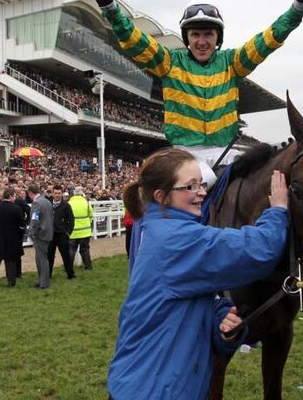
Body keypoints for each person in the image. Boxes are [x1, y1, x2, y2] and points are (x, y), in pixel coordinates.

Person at [92, 0, 303, 187]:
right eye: (195, 35)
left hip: (227, 153)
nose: (201, 41)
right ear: (187, 37)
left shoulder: (233, 63)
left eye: (208, 34)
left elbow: (268, 39)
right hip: (185, 156)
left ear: (217, 38)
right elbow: (135, 40)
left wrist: (297, 9)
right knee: (198, 184)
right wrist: (111, 10)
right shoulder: (169, 62)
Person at [107, 148, 289, 400]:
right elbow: (257, 249)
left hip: (158, 382)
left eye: (201, 184)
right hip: (154, 390)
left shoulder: (166, 230)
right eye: (190, 186)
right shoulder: (177, 240)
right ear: (162, 197)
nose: (202, 192)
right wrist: (278, 210)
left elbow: (186, 302)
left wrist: (221, 321)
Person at [27, 183, 53, 289]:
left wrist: (32, 233)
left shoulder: (36, 203)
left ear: (30, 193)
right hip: (47, 232)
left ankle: (44, 283)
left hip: (40, 234)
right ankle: (42, 280)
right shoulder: (47, 201)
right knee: (40, 258)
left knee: (42, 259)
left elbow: (35, 220)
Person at [48, 184, 76, 279]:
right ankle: (48, 275)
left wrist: (68, 232)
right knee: (50, 256)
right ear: (52, 193)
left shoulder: (66, 205)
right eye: (55, 193)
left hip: (62, 235)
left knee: (66, 256)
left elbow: (71, 219)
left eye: (58, 193)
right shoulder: (48, 204)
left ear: (61, 194)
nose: (57, 195)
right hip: (50, 234)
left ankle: (70, 274)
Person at [68, 186, 94, 271]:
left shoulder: (69, 203)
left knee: (71, 249)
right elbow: (91, 215)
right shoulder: (86, 202)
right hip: (85, 231)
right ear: (81, 193)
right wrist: (88, 223)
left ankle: (69, 267)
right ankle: (88, 266)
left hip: (73, 231)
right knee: (85, 249)